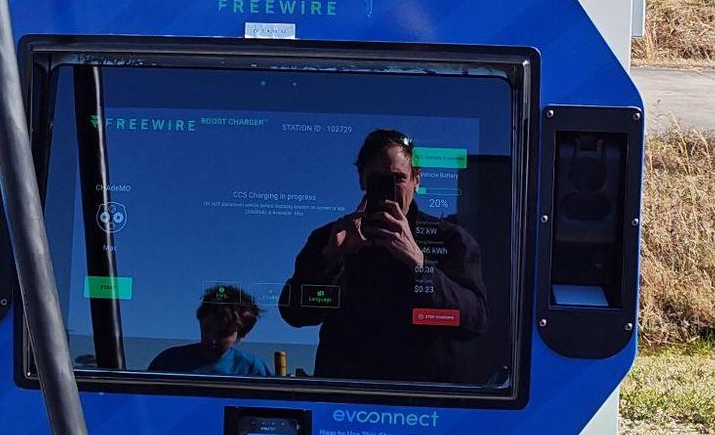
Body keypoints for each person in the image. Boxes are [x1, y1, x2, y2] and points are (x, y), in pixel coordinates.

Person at [279, 128, 486, 384]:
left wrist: (419, 263)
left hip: (423, 394)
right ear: (362, 180)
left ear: (416, 179)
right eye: (378, 179)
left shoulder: (449, 239)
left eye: (398, 178)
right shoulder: (331, 238)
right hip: (348, 392)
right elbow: (296, 314)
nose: (389, 189)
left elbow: (474, 320)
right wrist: (331, 261)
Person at [148, 285, 271, 377]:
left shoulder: (252, 369)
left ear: (240, 336)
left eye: (223, 333)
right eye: (208, 329)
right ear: (201, 322)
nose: (212, 339)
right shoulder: (168, 362)